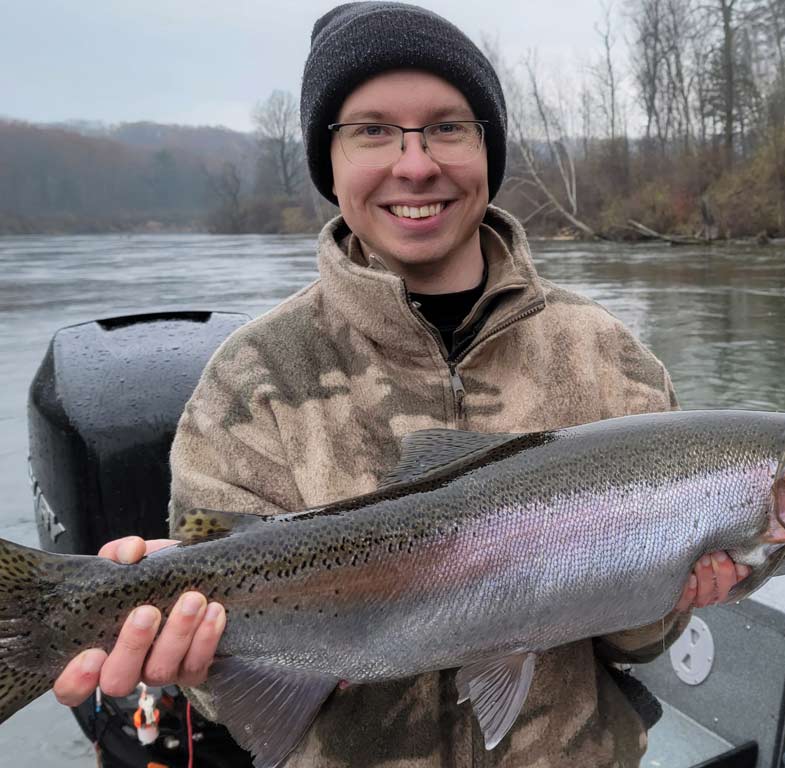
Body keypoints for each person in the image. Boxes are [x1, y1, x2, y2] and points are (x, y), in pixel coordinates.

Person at [53, 2, 749, 765]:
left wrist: (674, 597)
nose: (415, 164)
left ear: (488, 147)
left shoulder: (605, 356)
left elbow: (636, 645)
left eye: (448, 127)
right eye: (373, 130)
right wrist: (193, 656)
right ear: (329, 158)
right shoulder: (250, 381)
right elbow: (228, 656)